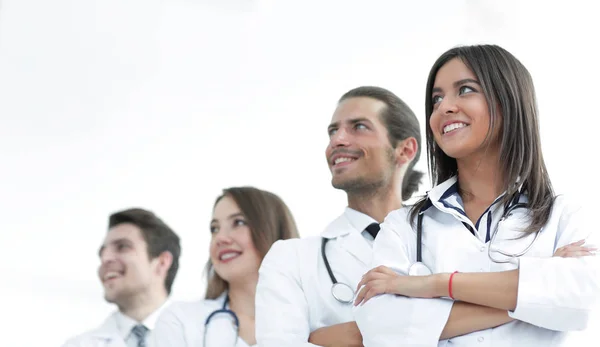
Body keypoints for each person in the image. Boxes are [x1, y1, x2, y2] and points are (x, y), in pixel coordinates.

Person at [353, 44, 600, 346]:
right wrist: (533, 296)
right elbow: (381, 330)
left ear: (508, 101)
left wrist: (432, 284)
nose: (444, 107)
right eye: (437, 98)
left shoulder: (565, 215)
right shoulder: (403, 226)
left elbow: (580, 300)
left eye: (466, 90)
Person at [256, 86, 517, 347]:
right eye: (333, 131)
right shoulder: (291, 259)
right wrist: (514, 311)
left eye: (358, 127)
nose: (338, 140)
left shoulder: (465, 234)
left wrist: (345, 337)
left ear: (404, 150)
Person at [153, 186, 299, 347]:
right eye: (214, 229)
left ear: (273, 231)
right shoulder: (181, 321)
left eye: (239, 222)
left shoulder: (317, 318)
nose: (220, 238)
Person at [62, 208, 182, 347]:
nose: (105, 259)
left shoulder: (201, 336)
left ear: (161, 263)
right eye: (102, 253)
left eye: (122, 247)